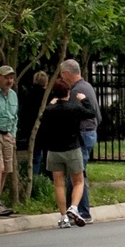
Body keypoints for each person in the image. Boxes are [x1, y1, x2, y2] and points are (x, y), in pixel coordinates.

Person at [40, 76, 90, 227]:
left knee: (58, 184)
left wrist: (50, 103)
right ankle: (74, 207)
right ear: (68, 92)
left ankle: (63, 217)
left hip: (54, 150)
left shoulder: (49, 110)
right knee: (79, 181)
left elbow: (43, 121)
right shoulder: (74, 108)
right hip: (72, 148)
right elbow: (91, 113)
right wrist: (84, 100)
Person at [59, 58, 101, 223]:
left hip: (82, 133)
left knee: (76, 174)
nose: (61, 77)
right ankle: (77, 209)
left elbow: (72, 115)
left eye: (62, 74)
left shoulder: (76, 91)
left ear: (68, 73)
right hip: (89, 132)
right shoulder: (87, 86)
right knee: (78, 172)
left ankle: (81, 211)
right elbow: (97, 114)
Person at [0, 64, 19, 217]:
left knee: (6, 169)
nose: (9, 80)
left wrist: (13, 134)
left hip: (8, 134)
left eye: (11, 77)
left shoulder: (13, 95)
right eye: (6, 77)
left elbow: (15, 117)